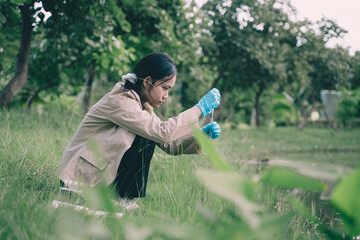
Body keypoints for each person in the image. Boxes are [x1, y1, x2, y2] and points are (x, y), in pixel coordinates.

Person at [56, 53, 221, 208]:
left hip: (94, 178)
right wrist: (199, 109)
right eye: (165, 88)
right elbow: (162, 132)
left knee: (149, 133)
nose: (166, 96)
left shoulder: (143, 107)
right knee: (148, 133)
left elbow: (168, 144)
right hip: (79, 181)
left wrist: (200, 137)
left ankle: (121, 198)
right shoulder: (121, 101)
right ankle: (118, 197)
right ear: (147, 81)